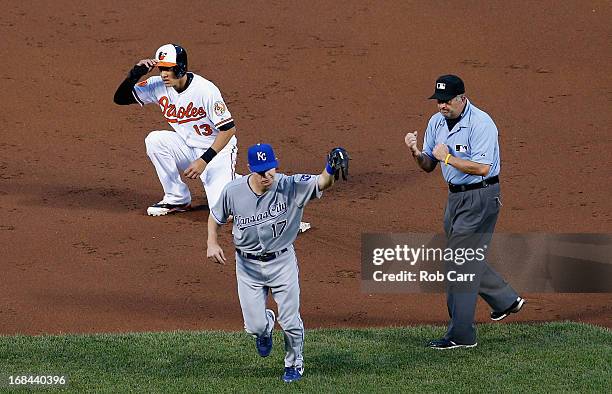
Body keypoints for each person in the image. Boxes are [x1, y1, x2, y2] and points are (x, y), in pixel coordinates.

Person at [207, 143, 349, 382]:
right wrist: (212, 242)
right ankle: (266, 327)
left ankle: (294, 363)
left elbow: (321, 182)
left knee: (291, 320)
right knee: (254, 327)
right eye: (262, 171)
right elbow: (215, 217)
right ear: (251, 169)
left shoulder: (290, 185)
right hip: (247, 266)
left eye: (271, 169)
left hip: (281, 262)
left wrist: (330, 168)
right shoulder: (233, 190)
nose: (267, 175)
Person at [404, 74, 525, 349]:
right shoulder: (436, 123)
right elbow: (428, 164)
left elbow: (482, 168)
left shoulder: (481, 123)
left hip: (481, 196)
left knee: (458, 263)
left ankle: (461, 334)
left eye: (447, 101)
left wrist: (446, 157)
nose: (442, 106)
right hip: (455, 199)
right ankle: (506, 300)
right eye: (438, 101)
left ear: (462, 98)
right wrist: (415, 152)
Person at [114, 43, 238, 216]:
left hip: (217, 151)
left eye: (169, 68)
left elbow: (228, 130)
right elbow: (120, 99)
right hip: (188, 148)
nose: (164, 74)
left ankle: (253, 182)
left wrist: (204, 161)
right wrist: (134, 74)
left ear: (181, 68)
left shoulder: (205, 90)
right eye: (161, 68)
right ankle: (176, 198)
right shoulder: (157, 85)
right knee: (155, 140)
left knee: (223, 212)